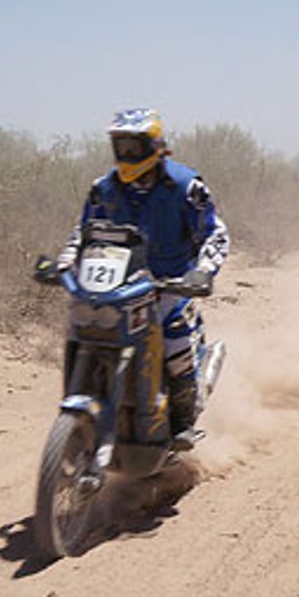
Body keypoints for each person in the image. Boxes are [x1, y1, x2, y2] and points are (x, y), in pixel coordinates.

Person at [59, 108, 230, 440]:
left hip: (171, 285)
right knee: (84, 331)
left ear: (154, 145)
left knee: (172, 343)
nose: (125, 154)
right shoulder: (104, 188)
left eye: (132, 147)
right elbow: (83, 233)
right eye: (119, 146)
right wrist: (65, 261)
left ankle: (183, 422)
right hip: (116, 285)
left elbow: (215, 234)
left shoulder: (185, 186)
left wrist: (204, 272)